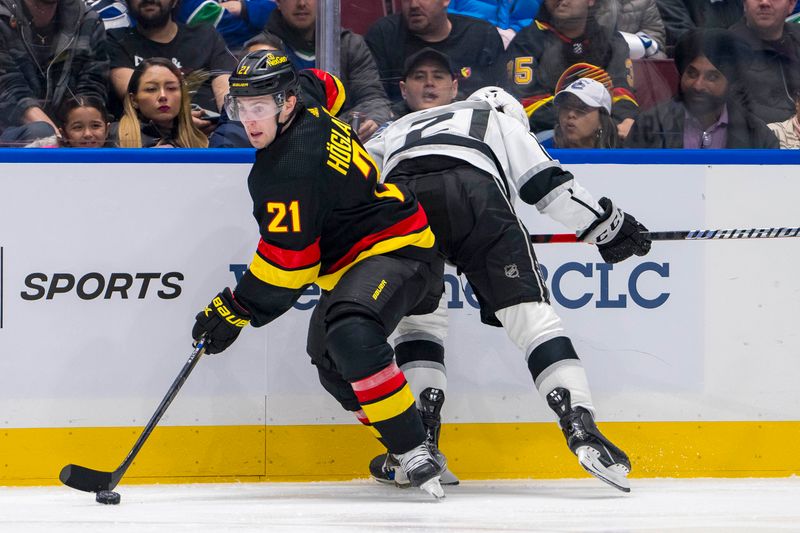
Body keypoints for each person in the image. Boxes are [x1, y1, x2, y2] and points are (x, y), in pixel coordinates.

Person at [363, 86, 651, 493]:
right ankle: (580, 428)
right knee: (531, 319)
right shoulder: (496, 118)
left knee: (418, 325)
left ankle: (419, 445)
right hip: (473, 192)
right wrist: (607, 226)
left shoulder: (402, 124)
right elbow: (547, 185)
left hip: (400, 204)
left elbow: (354, 178)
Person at [191, 50, 448, 499]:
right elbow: (331, 84)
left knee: (350, 333)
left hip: (401, 249)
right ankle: (401, 444)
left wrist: (234, 309)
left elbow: (291, 264)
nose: (249, 121)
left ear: (286, 103)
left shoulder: (286, 173)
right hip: (359, 262)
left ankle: (414, 448)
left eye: (261, 108)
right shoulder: (306, 96)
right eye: (241, 107)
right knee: (329, 358)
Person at [505, 0, 638, 138]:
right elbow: (528, 105)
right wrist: (588, 121)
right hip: (550, 132)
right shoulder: (527, 41)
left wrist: (625, 119)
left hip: (604, 128)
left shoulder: (611, 40)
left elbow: (623, 93)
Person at [625, 28, 779, 148]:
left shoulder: (758, 136)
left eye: (712, 77)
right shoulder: (649, 125)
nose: (698, 85)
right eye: (692, 74)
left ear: (731, 82)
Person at [265, 0, 392, 140]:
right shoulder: (262, 50)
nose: (301, 3)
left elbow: (373, 98)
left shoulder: (350, 45)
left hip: (342, 143)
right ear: (278, 2)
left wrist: (372, 119)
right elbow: (255, 108)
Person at [107, 0, 237, 133]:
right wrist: (182, 121)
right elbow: (134, 91)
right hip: (149, 138)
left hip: (214, 134)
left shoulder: (206, 35)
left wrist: (228, 125)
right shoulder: (116, 40)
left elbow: (226, 88)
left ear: (175, 2)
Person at [0, 0, 109, 146]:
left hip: (67, 131)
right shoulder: (3, 18)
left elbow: (91, 88)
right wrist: (55, 135)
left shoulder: (87, 20)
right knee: (40, 132)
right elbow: (8, 88)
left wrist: (78, 133)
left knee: (119, 133)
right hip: (8, 130)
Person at [365, 0, 506, 103]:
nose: (413, 5)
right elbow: (374, 98)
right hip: (403, 130)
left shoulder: (481, 35)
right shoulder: (384, 34)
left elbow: (499, 98)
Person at [110, 57, 209, 147]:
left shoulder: (203, 142)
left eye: (171, 88)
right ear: (134, 100)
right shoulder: (111, 137)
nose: (163, 96)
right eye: (151, 89)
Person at [729, 0, 800, 125]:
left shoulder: (797, 36)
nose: (764, 2)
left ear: (791, 5)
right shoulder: (724, 47)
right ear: (744, 3)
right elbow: (738, 113)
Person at [391, 47, 459, 119]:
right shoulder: (390, 129)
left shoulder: (469, 123)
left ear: (454, 88)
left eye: (438, 76)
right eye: (419, 77)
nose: (429, 82)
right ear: (404, 90)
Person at [553, 78, 620, 148]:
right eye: (566, 106)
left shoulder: (622, 156)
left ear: (601, 121)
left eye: (581, 108)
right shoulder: (543, 151)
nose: (571, 114)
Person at [595, 0, 668, 59]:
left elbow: (654, 33)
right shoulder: (591, 3)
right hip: (598, 53)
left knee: (658, 56)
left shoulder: (646, 2)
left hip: (634, 57)